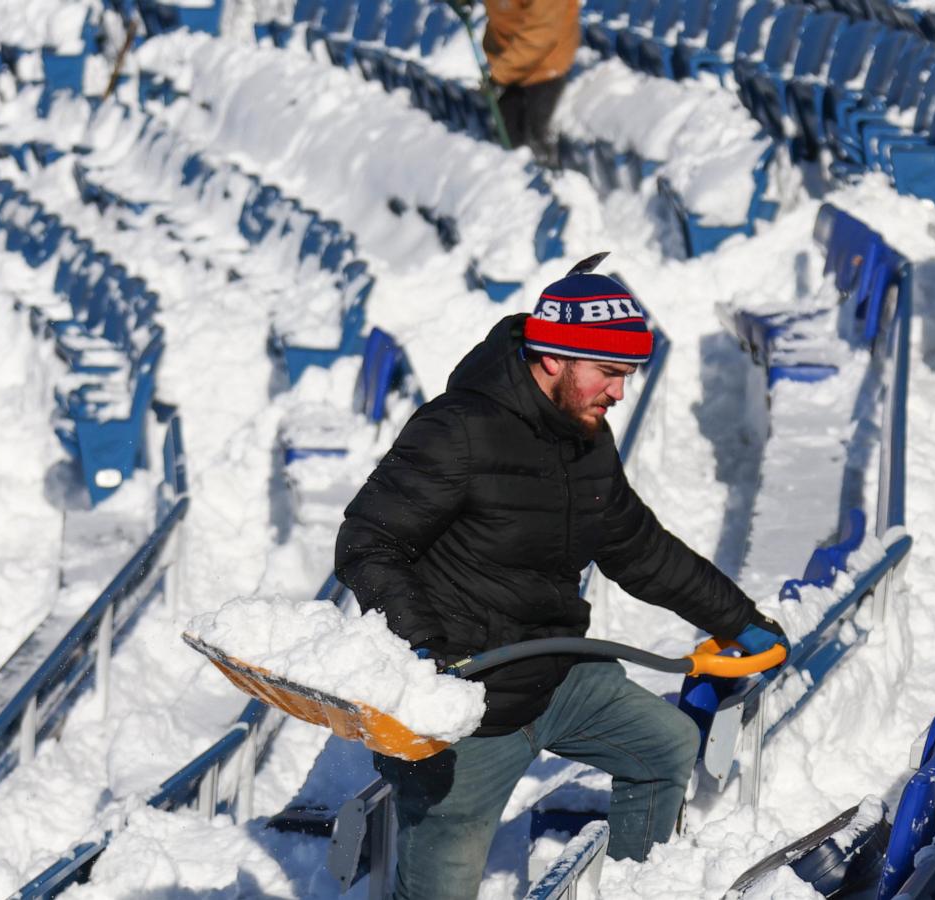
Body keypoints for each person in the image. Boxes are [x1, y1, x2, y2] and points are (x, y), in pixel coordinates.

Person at [335, 258, 788, 900]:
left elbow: (637, 546)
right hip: (466, 711)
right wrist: (424, 653)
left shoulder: (586, 435)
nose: (619, 393)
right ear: (554, 357)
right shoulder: (457, 430)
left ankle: (631, 890)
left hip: (555, 676)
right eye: (609, 373)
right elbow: (367, 542)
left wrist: (738, 620)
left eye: (627, 375)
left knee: (664, 747)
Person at [480, 0, 579, 166]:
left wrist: (500, 75)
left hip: (545, 65)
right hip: (510, 61)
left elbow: (541, 35)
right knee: (508, 136)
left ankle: (549, 175)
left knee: (535, 138)